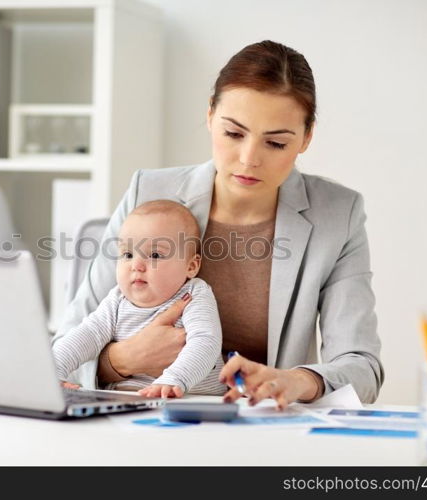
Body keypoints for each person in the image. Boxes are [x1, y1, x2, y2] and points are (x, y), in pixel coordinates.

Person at [53, 40, 384, 407]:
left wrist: (298, 380)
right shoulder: (148, 190)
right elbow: (70, 338)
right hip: (144, 417)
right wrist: (122, 360)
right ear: (210, 115)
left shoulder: (338, 214)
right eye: (233, 133)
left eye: (274, 143)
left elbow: (362, 368)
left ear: (306, 138)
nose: (248, 158)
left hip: (262, 429)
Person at [53, 200, 227, 397]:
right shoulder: (117, 299)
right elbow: (85, 336)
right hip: (124, 400)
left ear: (191, 266)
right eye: (127, 254)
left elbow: (206, 342)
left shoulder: (193, 294)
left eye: (154, 254)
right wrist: (52, 372)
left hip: (191, 399)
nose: (136, 265)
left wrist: (174, 379)